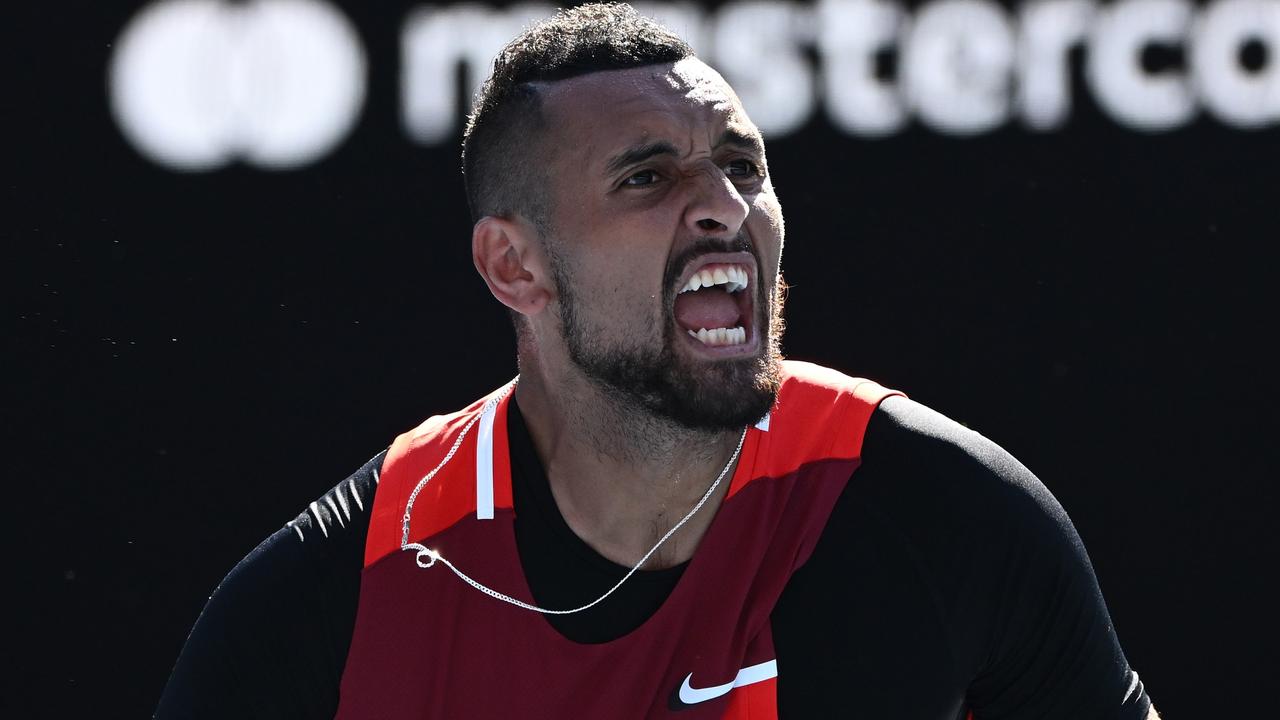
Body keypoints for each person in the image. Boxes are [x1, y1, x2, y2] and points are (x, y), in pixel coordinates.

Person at [156, 4, 1157, 718]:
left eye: (741, 165)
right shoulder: (336, 601)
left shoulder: (941, 512)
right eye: (647, 175)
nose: (722, 203)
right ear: (515, 264)